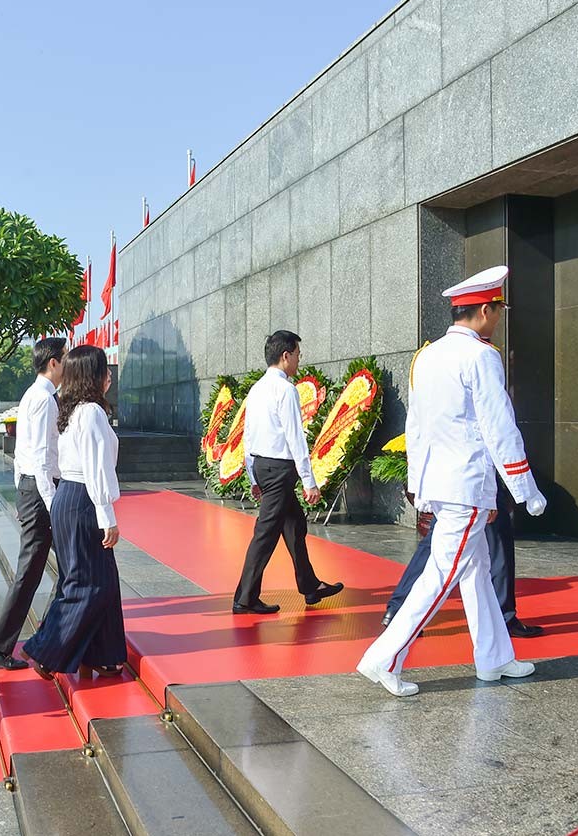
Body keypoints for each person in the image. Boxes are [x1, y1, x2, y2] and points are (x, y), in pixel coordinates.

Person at [358, 266, 547, 697]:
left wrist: (419, 486)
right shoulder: (482, 356)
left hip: (444, 485)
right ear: (485, 309)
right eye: (497, 310)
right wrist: (525, 489)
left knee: (477, 572)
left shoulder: (429, 356)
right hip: (467, 486)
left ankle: (494, 657)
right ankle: (384, 658)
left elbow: (417, 426)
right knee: (441, 576)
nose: (499, 318)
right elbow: (500, 428)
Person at [21, 345, 126, 679]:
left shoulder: (72, 409)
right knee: (88, 583)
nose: (109, 375)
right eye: (103, 370)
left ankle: (103, 654)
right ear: (91, 376)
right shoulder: (91, 412)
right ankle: (45, 650)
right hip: (82, 498)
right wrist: (106, 515)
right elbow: (97, 467)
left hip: (70, 495)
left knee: (101, 579)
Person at [231, 330, 343, 614]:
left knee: (294, 526)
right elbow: (296, 438)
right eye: (297, 355)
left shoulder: (256, 389)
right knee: (265, 534)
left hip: (263, 466)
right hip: (280, 470)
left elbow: (248, 435)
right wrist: (310, 482)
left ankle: (310, 586)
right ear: (286, 356)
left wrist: (253, 475)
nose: (298, 361)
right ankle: (244, 598)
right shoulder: (285, 390)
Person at [0, 337, 66, 671]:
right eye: (66, 359)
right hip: (42, 490)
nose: (69, 365)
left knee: (42, 570)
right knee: (38, 570)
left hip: (33, 488)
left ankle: (32, 639)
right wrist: (52, 503)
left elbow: (22, 454)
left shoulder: (34, 395)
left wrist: (24, 491)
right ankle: (9, 645)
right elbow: (43, 458)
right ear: (54, 363)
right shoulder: (44, 400)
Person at [383, 484, 544, 638]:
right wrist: (528, 492)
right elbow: (505, 455)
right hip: (477, 477)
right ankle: (502, 617)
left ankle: (398, 610)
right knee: (498, 541)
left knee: (435, 542)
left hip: (447, 477)